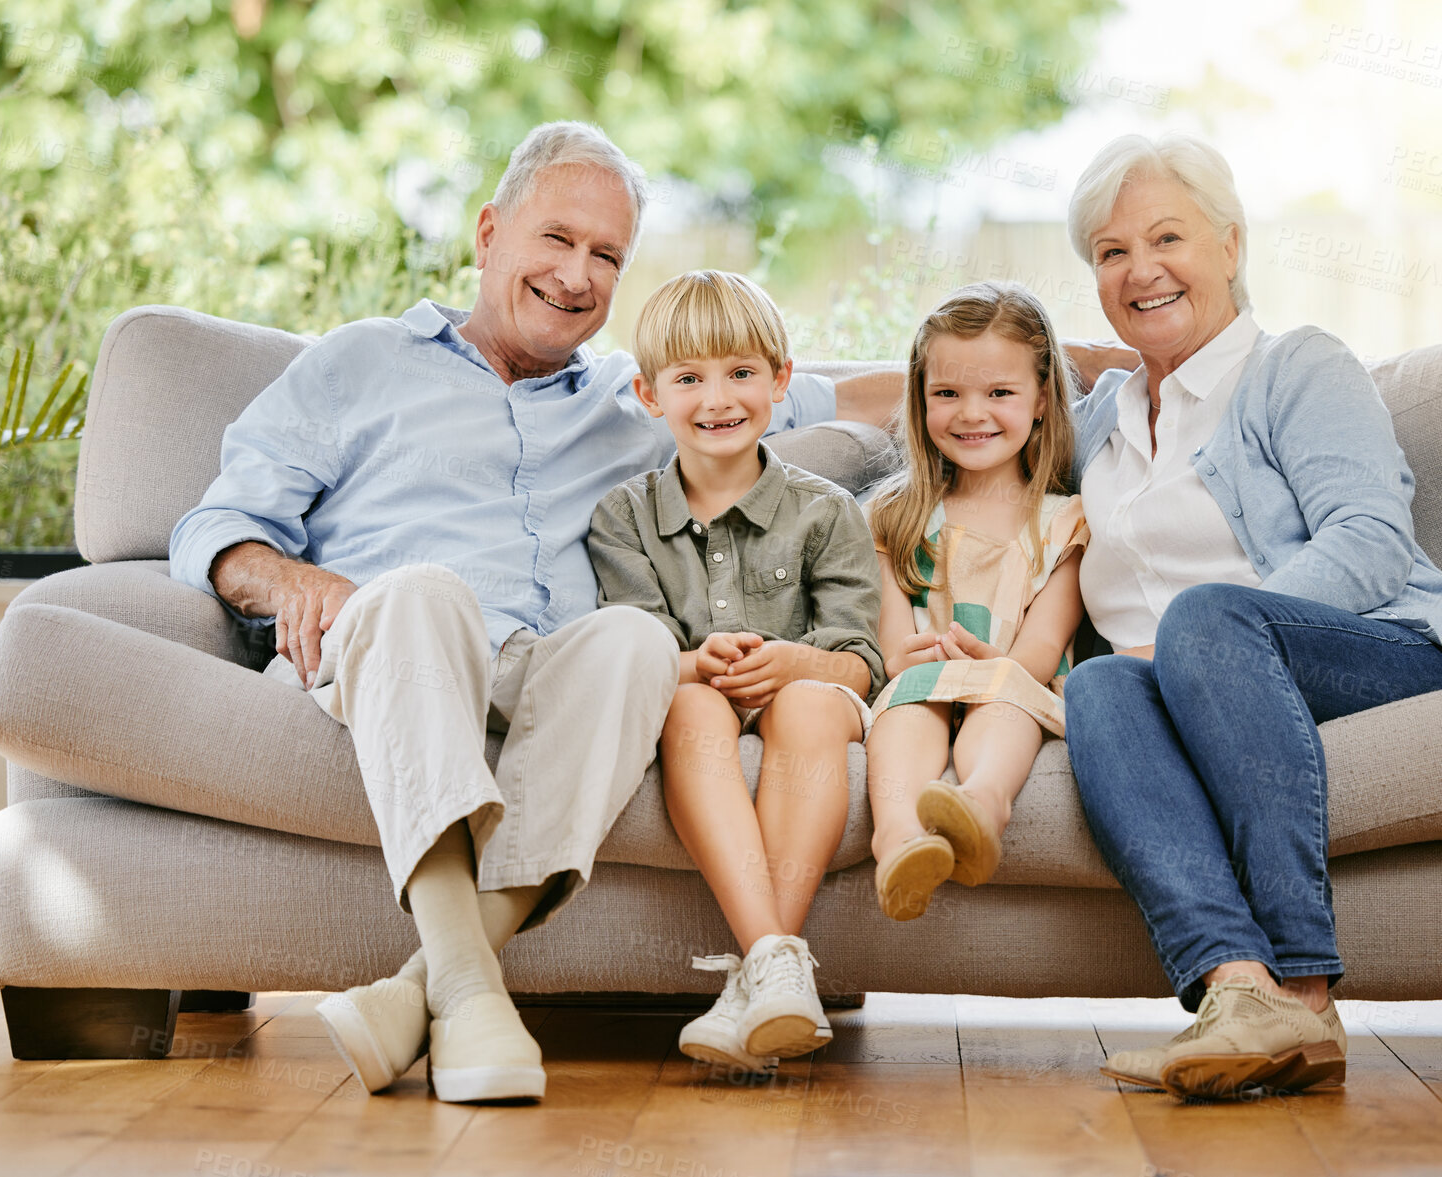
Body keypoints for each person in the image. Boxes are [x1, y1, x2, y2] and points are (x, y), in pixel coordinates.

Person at [167, 123, 898, 1104]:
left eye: (607, 256)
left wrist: (1072, 359)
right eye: (556, 238)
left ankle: (422, 993)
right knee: (428, 591)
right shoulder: (360, 363)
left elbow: (836, 388)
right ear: (488, 231)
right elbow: (217, 525)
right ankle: (470, 991)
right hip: (397, 649)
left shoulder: (639, 400)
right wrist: (290, 581)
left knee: (639, 639)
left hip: (549, 671)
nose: (576, 273)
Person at [1060, 132, 1442, 1099]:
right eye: (1111, 253)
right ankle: (1236, 989)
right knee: (1098, 682)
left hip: (1379, 653)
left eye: (1167, 237)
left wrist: (1195, 637)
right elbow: (966, 425)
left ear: (1230, 246)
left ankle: (1303, 989)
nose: (1141, 269)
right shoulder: (1097, 419)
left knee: (1202, 620)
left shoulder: (1296, 367)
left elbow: (1371, 540)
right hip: (1189, 680)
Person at [587, 270, 884, 1073]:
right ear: (651, 394)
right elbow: (636, 648)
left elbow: (860, 663)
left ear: (782, 381)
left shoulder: (828, 512)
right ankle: (778, 967)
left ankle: (758, 974)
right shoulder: (623, 518)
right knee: (688, 705)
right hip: (696, 702)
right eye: (690, 378)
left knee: (810, 707)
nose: (718, 398)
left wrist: (792, 663)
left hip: (810, 701)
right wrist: (691, 660)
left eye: (741, 372)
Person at [863, 282, 1088, 921]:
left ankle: (982, 805)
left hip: (1010, 682)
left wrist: (988, 665)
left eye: (998, 393)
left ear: (1041, 399)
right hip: (922, 681)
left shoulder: (1066, 521)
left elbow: (1040, 651)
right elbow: (891, 649)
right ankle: (899, 839)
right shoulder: (893, 515)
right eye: (947, 394)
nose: (971, 413)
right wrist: (926, 657)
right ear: (920, 398)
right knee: (906, 710)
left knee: (1005, 701)